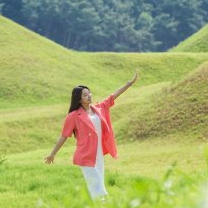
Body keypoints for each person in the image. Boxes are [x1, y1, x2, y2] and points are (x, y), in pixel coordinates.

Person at [44, 70, 139, 199]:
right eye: (85, 95)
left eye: (89, 93)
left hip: (99, 153)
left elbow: (113, 96)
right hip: (85, 155)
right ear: (79, 99)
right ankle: (105, 205)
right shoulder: (73, 116)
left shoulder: (99, 109)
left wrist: (129, 83)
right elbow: (64, 135)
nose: (89, 96)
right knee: (97, 184)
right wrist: (53, 154)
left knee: (97, 183)